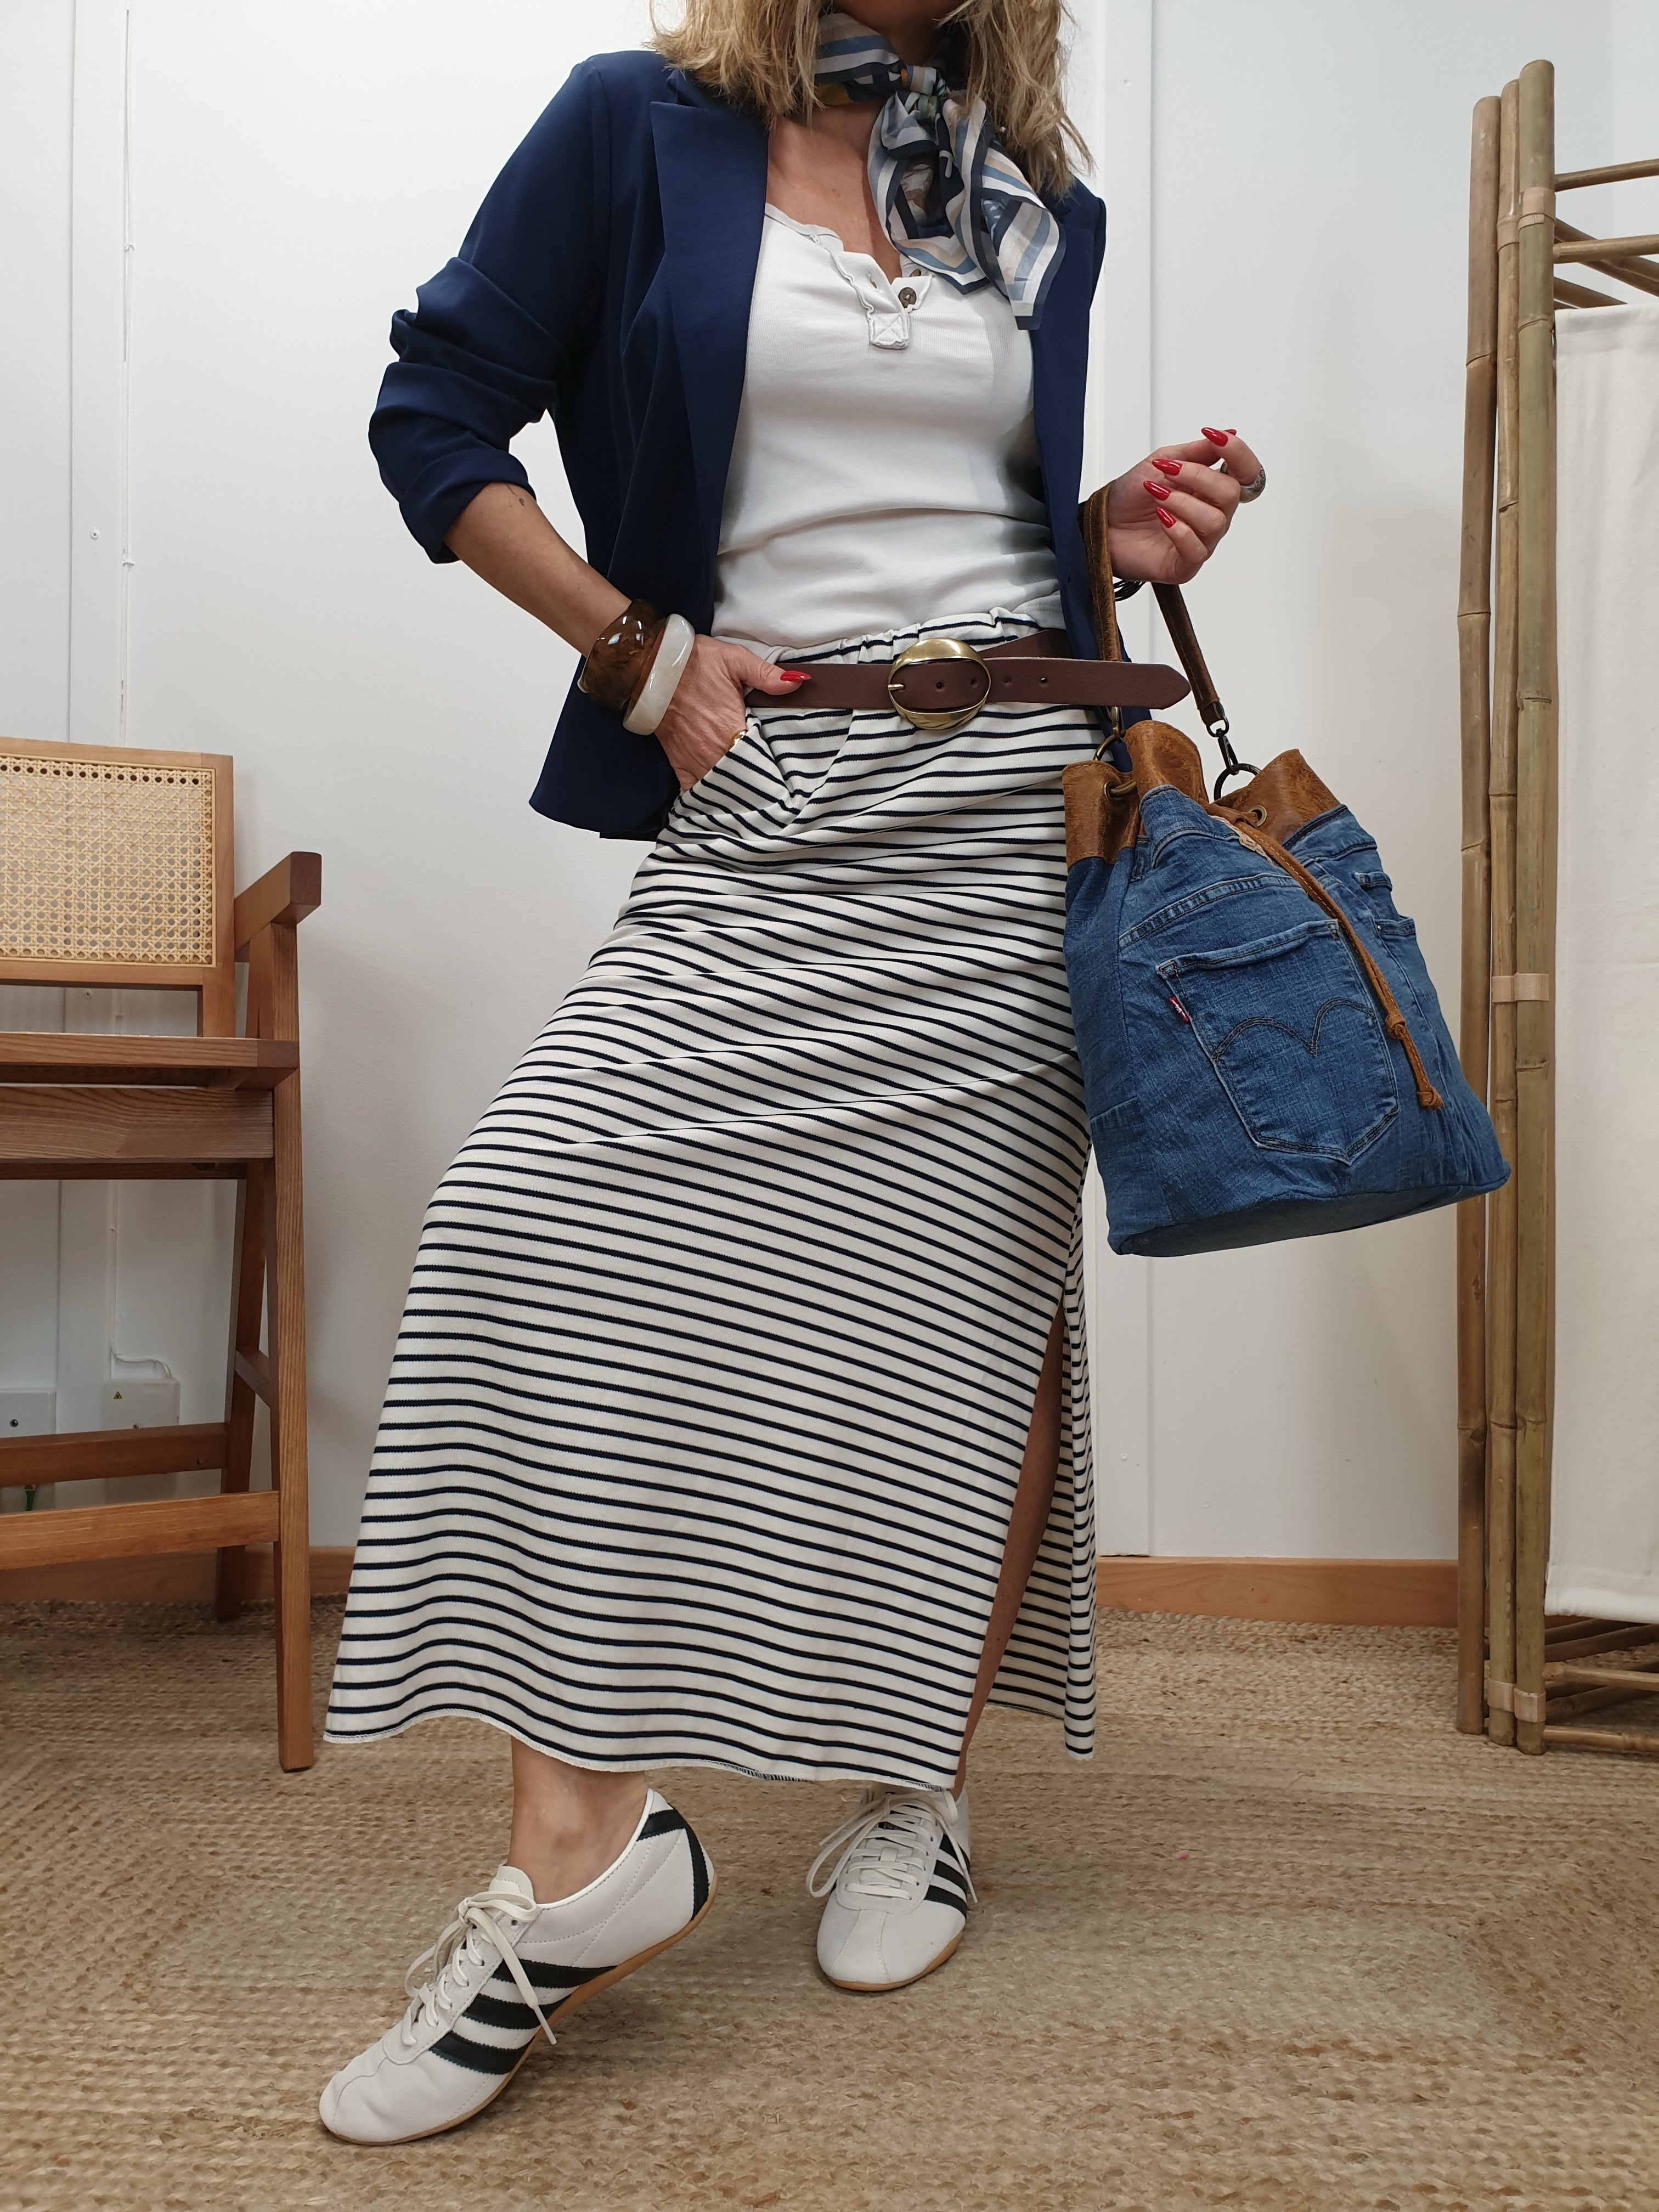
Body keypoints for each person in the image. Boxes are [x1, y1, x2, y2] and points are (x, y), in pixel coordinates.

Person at [318, 0, 1262, 2146]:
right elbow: (434, 418)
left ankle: (916, 1791)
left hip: (1013, 800)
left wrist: (1104, 526)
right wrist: (637, 655)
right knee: (534, 1226)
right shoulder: (635, 126)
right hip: (772, 794)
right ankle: (594, 1859)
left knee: (966, 1309)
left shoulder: (1026, 185)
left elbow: (959, 516)